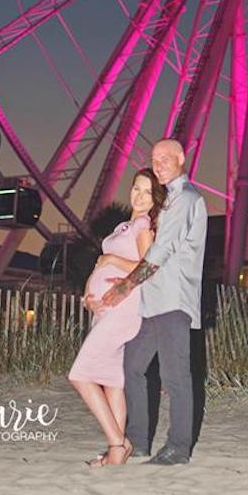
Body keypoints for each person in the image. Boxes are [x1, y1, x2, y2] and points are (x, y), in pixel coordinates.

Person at [101, 138, 208, 465]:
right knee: (131, 367)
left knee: (176, 376)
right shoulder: (168, 202)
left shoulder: (186, 199)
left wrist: (126, 285)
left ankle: (178, 447)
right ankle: (139, 440)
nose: (158, 163)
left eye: (165, 157)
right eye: (154, 158)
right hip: (151, 304)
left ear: (181, 158)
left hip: (173, 301)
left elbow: (160, 253)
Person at [68, 167, 166, 467]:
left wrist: (110, 259)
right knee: (111, 380)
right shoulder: (125, 225)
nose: (138, 195)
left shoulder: (144, 228)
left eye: (147, 192)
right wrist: (88, 293)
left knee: (80, 374)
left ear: (156, 199)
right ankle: (115, 455)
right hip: (105, 308)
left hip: (124, 307)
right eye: (136, 188)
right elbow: (100, 265)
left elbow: (148, 267)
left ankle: (117, 442)